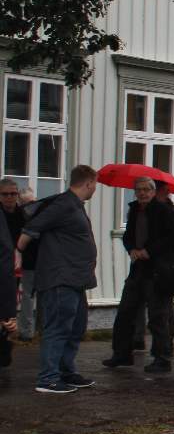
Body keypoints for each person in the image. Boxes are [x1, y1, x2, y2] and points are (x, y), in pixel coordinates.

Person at [18, 165, 99, 394]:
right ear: (89, 183)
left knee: (75, 328)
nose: (95, 188)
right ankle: (48, 378)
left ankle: (66, 371)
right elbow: (32, 228)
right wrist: (20, 248)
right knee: (58, 328)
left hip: (75, 279)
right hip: (59, 280)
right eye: (95, 184)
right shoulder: (64, 204)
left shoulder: (74, 205)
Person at [104, 177, 174, 373]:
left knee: (157, 316)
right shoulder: (134, 210)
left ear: (154, 192)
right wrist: (131, 249)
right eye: (139, 190)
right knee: (125, 311)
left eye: (147, 189)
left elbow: (173, 237)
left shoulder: (164, 210)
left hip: (157, 270)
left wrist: (150, 251)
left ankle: (162, 357)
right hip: (138, 267)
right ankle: (121, 353)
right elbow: (128, 235)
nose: (143, 193)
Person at [0, 181, 19, 366]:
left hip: (16, 266)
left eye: (13, 194)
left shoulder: (22, 214)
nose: (9, 198)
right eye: (5, 194)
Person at [16, 186, 37, 341]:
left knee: (28, 297)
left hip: (37, 262)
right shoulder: (39, 215)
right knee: (28, 297)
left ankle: (27, 331)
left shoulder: (21, 215)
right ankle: (27, 331)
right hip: (29, 263)